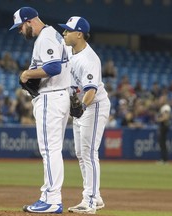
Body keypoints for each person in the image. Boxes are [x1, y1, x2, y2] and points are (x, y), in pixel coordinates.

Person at [9, 6, 71, 214]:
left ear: (29, 21)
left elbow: (54, 68)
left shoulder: (45, 37)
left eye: (20, 26)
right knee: (52, 150)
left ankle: (52, 200)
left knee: (50, 150)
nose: (19, 31)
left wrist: (27, 74)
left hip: (51, 98)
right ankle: (48, 195)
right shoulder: (52, 34)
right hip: (58, 96)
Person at [59, 16, 110, 214]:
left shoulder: (90, 59)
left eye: (67, 30)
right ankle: (95, 196)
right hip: (81, 107)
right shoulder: (69, 50)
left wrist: (80, 108)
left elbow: (91, 91)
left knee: (89, 153)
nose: (64, 33)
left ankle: (88, 201)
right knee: (81, 153)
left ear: (79, 34)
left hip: (94, 106)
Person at [156, 95, 171, 164]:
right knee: (162, 143)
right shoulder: (163, 107)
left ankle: (164, 159)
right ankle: (164, 159)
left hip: (164, 126)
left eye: (161, 99)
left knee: (162, 143)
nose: (160, 100)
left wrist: (158, 119)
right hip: (163, 126)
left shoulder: (165, 107)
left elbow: (166, 117)